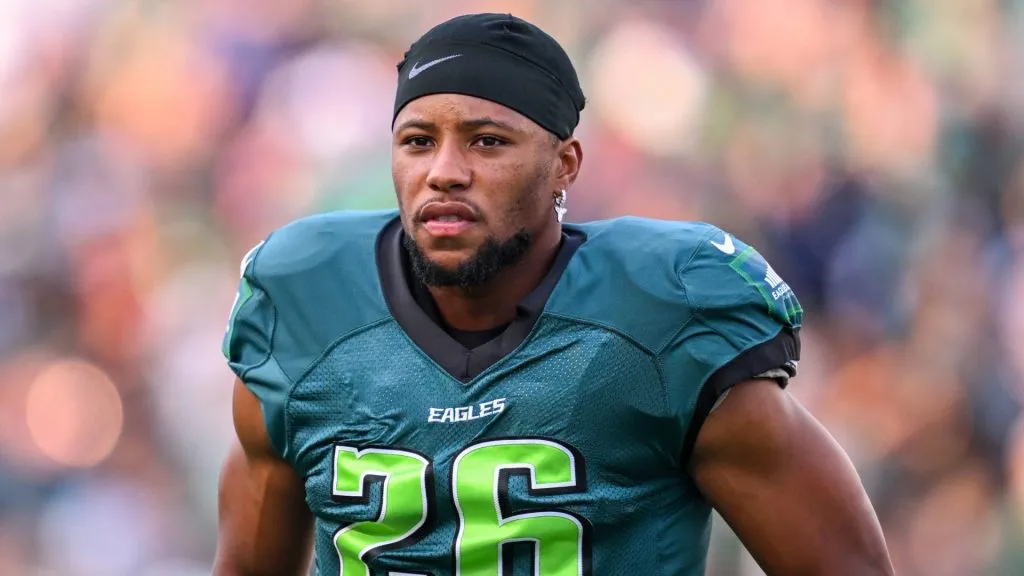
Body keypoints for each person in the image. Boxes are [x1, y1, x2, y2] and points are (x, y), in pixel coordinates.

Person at [213, 12, 894, 576]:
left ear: (564, 164)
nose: (445, 172)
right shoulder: (304, 304)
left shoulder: (660, 318)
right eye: (418, 141)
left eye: (487, 142)